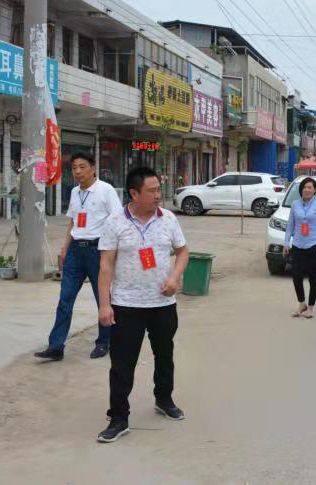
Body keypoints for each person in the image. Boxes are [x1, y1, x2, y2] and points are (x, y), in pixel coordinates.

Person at [96, 167, 190, 443]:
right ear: (134, 193)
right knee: (122, 363)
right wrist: (104, 305)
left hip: (163, 304)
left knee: (165, 356)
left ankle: (164, 399)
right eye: (152, 191)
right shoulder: (115, 222)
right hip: (126, 305)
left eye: (159, 189)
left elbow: (183, 251)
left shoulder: (169, 219)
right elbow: (106, 265)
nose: (158, 195)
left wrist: (175, 276)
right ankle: (119, 417)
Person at [34, 153, 122, 362]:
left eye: (82, 167)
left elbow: (117, 222)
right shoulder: (74, 192)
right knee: (65, 299)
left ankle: (104, 342)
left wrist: (112, 253)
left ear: (93, 168)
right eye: (74, 168)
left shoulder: (106, 190)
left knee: (102, 298)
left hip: (97, 250)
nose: (78, 171)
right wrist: (65, 248)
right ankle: (56, 346)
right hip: (75, 251)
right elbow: (72, 221)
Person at [284, 177, 316, 318]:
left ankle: (311, 307)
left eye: (310, 187)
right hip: (297, 245)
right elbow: (290, 225)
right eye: (304, 187)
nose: (307, 190)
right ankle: (301, 303)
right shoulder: (295, 204)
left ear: (315, 190)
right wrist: (286, 243)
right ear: (301, 189)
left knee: (313, 277)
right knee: (296, 275)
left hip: (313, 245)